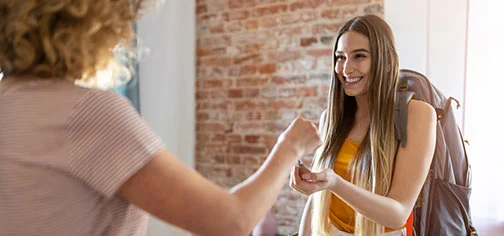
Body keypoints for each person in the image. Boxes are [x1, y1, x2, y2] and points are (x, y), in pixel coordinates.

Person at [0, 1, 321, 235]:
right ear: (87, 22)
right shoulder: (88, 112)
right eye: (122, 15)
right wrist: (290, 146)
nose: (126, 32)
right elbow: (231, 221)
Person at [289, 15, 437, 236]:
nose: (346, 69)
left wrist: (335, 183)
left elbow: (398, 213)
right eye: (340, 57)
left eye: (359, 56)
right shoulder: (330, 118)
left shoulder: (418, 115)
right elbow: (317, 201)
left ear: (386, 61)